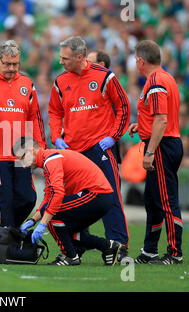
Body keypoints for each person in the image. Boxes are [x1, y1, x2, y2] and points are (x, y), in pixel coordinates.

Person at [48, 36, 131, 261]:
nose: (60, 61)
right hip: (73, 152)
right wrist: (56, 137)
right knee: (76, 200)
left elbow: (123, 106)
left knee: (110, 196)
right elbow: (54, 112)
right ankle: (77, 248)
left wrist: (113, 137)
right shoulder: (60, 81)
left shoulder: (105, 77)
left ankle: (120, 246)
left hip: (99, 149)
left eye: (65, 58)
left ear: (80, 57)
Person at [14, 136, 124, 266]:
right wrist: (32, 220)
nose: (23, 164)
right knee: (66, 230)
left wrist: (43, 222)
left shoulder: (51, 159)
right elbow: (50, 196)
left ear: (31, 150)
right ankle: (107, 246)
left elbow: (57, 194)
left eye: (22, 158)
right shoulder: (49, 158)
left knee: (51, 215)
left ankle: (70, 256)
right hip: (99, 196)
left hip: (96, 195)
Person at [128, 40, 184, 264]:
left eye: (135, 59)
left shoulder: (156, 81)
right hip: (165, 142)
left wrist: (150, 152)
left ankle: (174, 253)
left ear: (141, 61)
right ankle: (150, 250)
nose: (135, 63)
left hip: (162, 146)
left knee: (167, 201)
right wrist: (141, 126)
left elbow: (162, 119)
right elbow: (157, 116)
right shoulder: (166, 77)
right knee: (152, 200)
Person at [0, 40, 47, 228]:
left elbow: (35, 118)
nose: (11, 68)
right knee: (5, 200)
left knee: (28, 198)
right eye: (7, 64)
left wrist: (40, 148)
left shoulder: (26, 83)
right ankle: (5, 243)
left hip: (21, 153)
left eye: (15, 64)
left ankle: (10, 232)